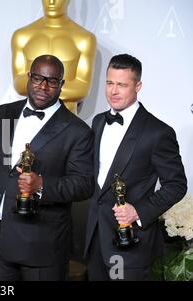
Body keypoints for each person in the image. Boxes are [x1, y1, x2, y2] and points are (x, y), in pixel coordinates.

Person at [0, 54, 94, 281]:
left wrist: (42, 185)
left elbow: (84, 184)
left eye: (52, 81)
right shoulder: (4, 113)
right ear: (28, 77)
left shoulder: (78, 131)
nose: (43, 86)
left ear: (61, 85)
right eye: (38, 78)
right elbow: (0, 162)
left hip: (43, 244)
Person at [84, 54, 187, 281]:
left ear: (138, 86)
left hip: (130, 244)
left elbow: (177, 185)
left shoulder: (158, 132)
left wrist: (138, 211)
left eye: (122, 84)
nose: (114, 91)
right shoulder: (98, 122)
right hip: (95, 238)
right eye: (110, 83)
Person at [11, 0, 96, 114]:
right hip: (28, 119)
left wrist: (38, 87)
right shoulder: (22, 36)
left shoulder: (84, 39)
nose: (51, 2)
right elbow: (19, 85)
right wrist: (55, 87)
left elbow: (82, 89)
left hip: (68, 122)